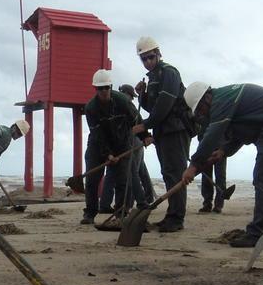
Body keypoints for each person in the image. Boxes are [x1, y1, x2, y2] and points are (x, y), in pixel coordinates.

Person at [181, 82, 263, 248]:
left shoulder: (220, 101)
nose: (202, 114)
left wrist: (193, 166)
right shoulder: (226, 99)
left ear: (205, 99)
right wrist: (223, 151)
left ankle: (257, 233)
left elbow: (213, 134)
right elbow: (241, 131)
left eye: (200, 110)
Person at [132, 38, 194, 232]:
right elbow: (152, 107)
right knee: (168, 173)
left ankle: (177, 218)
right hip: (164, 131)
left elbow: (164, 106)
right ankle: (172, 215)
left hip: (176, 129)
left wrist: (145, 126)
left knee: (175, 173)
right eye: (144, 59)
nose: (148, 62)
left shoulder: (169, 73)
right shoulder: (153, 78)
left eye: (150, 57)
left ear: (158, 53)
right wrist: (142, 95)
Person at [83, 70, 147, 224]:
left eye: (106, 87)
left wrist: (146, 136)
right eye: (100, 89)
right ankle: (90, 213)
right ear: (95, 89)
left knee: (123, 179)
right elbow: (97, 134)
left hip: (121, 143)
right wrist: (107, 154)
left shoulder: (123, 101)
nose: (104, 91)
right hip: (97, 146)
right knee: (92, 180)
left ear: (110, 87)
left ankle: (121, 213)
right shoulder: (90, 108)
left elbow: (136, 120)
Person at [119, 84, 155, 208]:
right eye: (131, 96)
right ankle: (146, 198)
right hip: (131, 143)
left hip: (136, 142)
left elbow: (138, 122)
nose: (132, 99)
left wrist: (145, 136)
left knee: (134, 171)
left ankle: (134, 202)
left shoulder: (129, 106)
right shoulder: (122, 104)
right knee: (140, 171)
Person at [195, 119, 227, 214]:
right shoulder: (202, 116)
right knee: (206, 176)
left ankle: (218, 205)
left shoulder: (219, 112)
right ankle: (207, 204)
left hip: (220, 146)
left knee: (220, 176)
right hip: (205, 147)